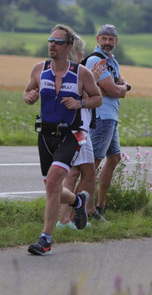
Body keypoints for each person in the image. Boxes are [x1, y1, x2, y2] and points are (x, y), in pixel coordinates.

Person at [23, 24, 102, 255]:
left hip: (72, 134)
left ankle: (45, 239)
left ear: (68, 47)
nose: (52, 45)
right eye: (50, 40)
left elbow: (97, 98)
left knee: (56, 178)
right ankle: (77, 202)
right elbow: (27, 92)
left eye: (57, 42)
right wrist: (29, 96)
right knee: (51, 186)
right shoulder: (39, 69)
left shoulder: (81, 73)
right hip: (46, 135)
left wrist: (80, 103)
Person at [57, 34, 106, 229]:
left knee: (72, 173)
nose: (83, 56)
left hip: (74, 128)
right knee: (88, 174)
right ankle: (69, 216)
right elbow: (82, 97)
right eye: (82, 53)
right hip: (79, 130)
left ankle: (65, 218)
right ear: (76, 53)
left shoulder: (60, 70)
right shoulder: (76, 72)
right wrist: (92, 80)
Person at [84, 24, 131, 221]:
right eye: (104, 39)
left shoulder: (112, 60)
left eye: (111, 39)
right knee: (92, 164)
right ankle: (87, 209)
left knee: (114, 159)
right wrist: (121, 89)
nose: (107, 43)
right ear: (97, 39)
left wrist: (122, 87)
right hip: (101, 117)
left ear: (116, 41)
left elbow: (121, 83)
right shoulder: (96, 60)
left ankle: (101, 204)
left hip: (111, 116)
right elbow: (114, 90)